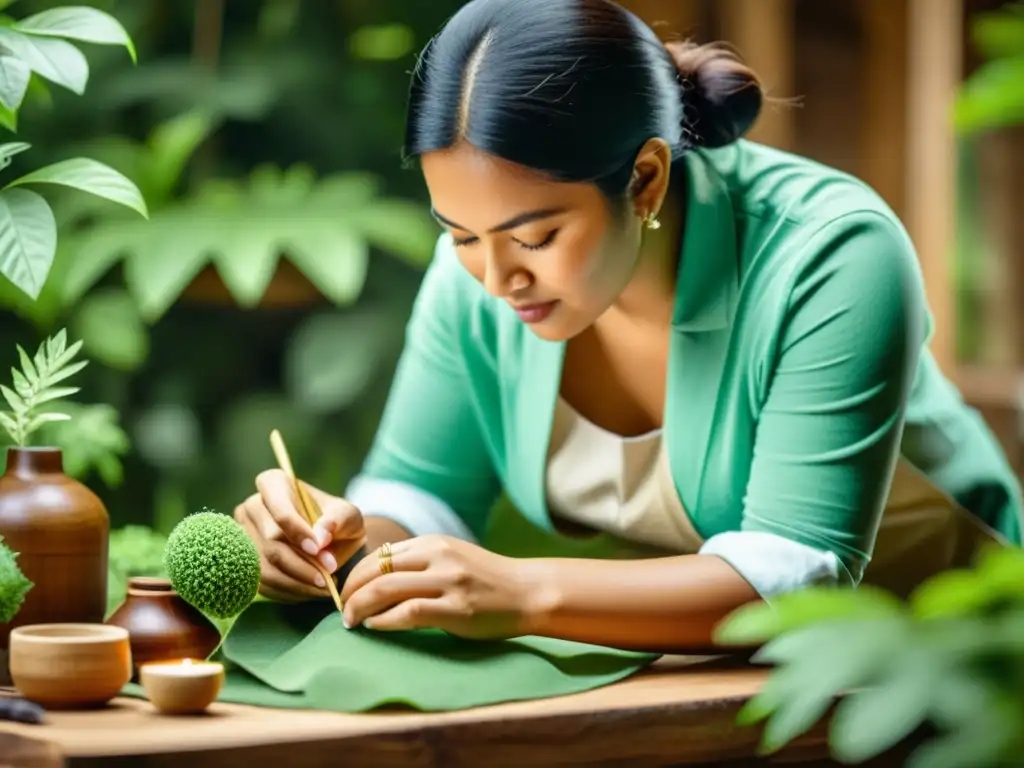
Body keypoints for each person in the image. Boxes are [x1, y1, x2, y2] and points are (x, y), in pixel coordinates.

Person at [234, 0, 1023, 652]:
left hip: (958, 661)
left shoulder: (832, 253)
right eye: (460, 233)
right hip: (725, 675)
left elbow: (799, 568)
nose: (496, 277)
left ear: (644, 180)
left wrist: (528, 589)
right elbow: (423, 493)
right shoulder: (476, 277)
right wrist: (336, 537)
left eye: (535, 237)